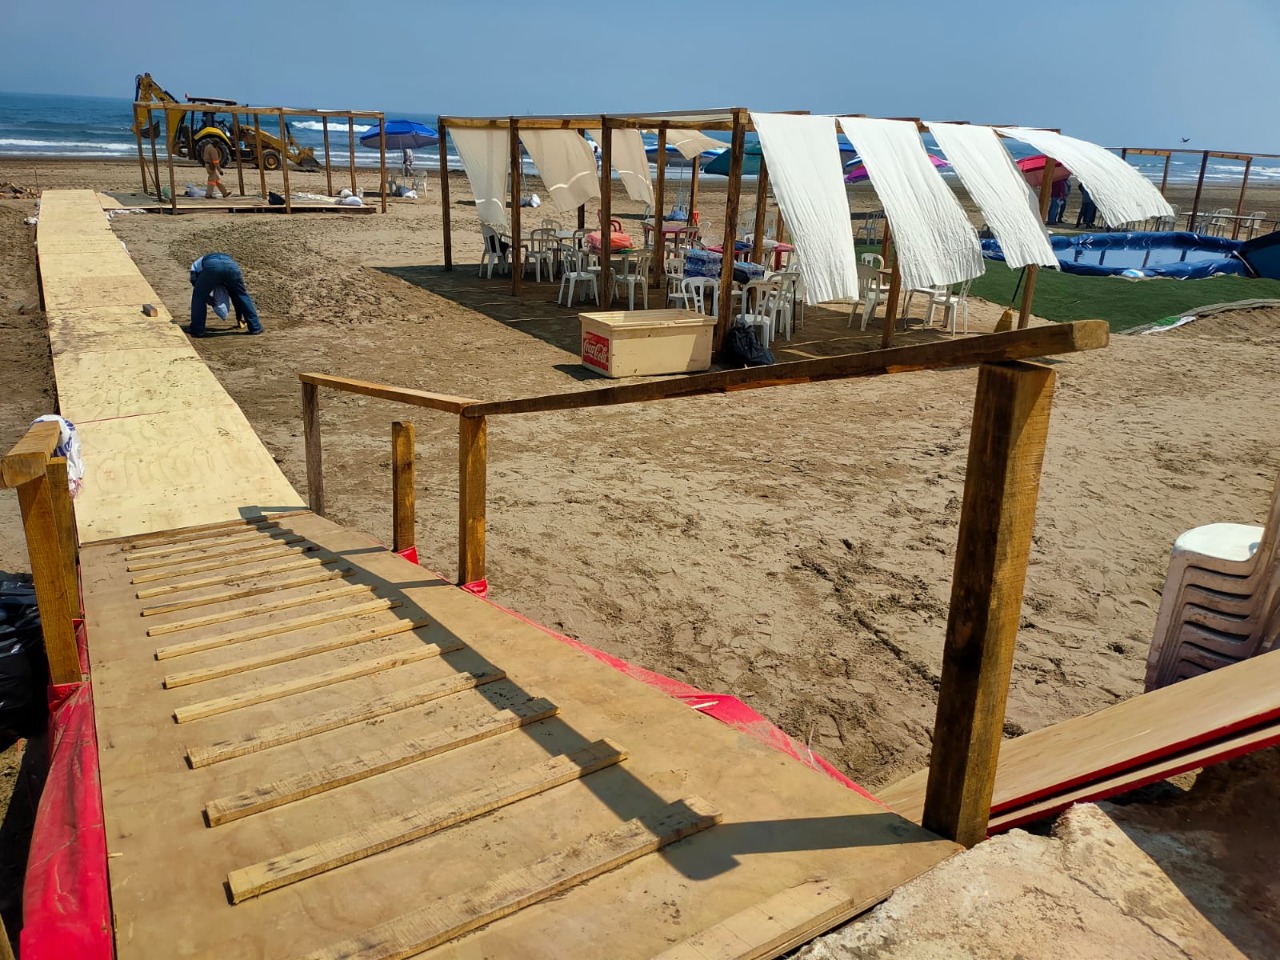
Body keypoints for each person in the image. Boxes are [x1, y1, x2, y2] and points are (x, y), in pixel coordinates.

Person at [185, 253, 262, 337]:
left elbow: (194, 280)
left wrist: (205, 296)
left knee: (199, 297)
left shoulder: (196, 264)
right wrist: (239, 318)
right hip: (232, 266)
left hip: (211, 267)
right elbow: (236, 298)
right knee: (241, 295)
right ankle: (255, 327)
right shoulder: (229, 261)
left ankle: (197, 329)